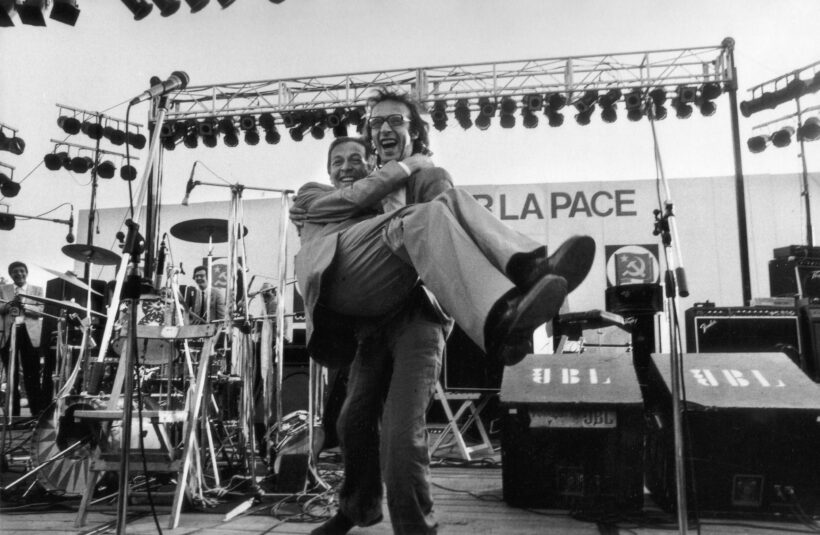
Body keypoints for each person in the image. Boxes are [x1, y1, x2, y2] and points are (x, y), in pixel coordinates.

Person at [291, 89, 594, 535]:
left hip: (417, 316)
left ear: (415, 132)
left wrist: (418, 171)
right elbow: (349, 207)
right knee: (352, 423)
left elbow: (451, 225)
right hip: (369, 320)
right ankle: (355, 508)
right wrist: (394, 172)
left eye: (396, 121)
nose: (384, 130)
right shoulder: (349, 191)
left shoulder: (427, 177)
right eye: (376, 124)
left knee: (400, 437)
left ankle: (521, 280)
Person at [0, 261, 45, 418]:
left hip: (29, 334)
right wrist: (10, 305)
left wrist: (25, 307)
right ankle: (13, 414)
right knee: (11, 373)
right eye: (15, 271)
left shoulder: (37, 290)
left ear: (26, 272)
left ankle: (36, 412)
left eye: (22, 270)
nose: (19, 274)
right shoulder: (3, 289)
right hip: (9, 333)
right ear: (11, 274)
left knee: (31, 373)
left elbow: (41, 310)